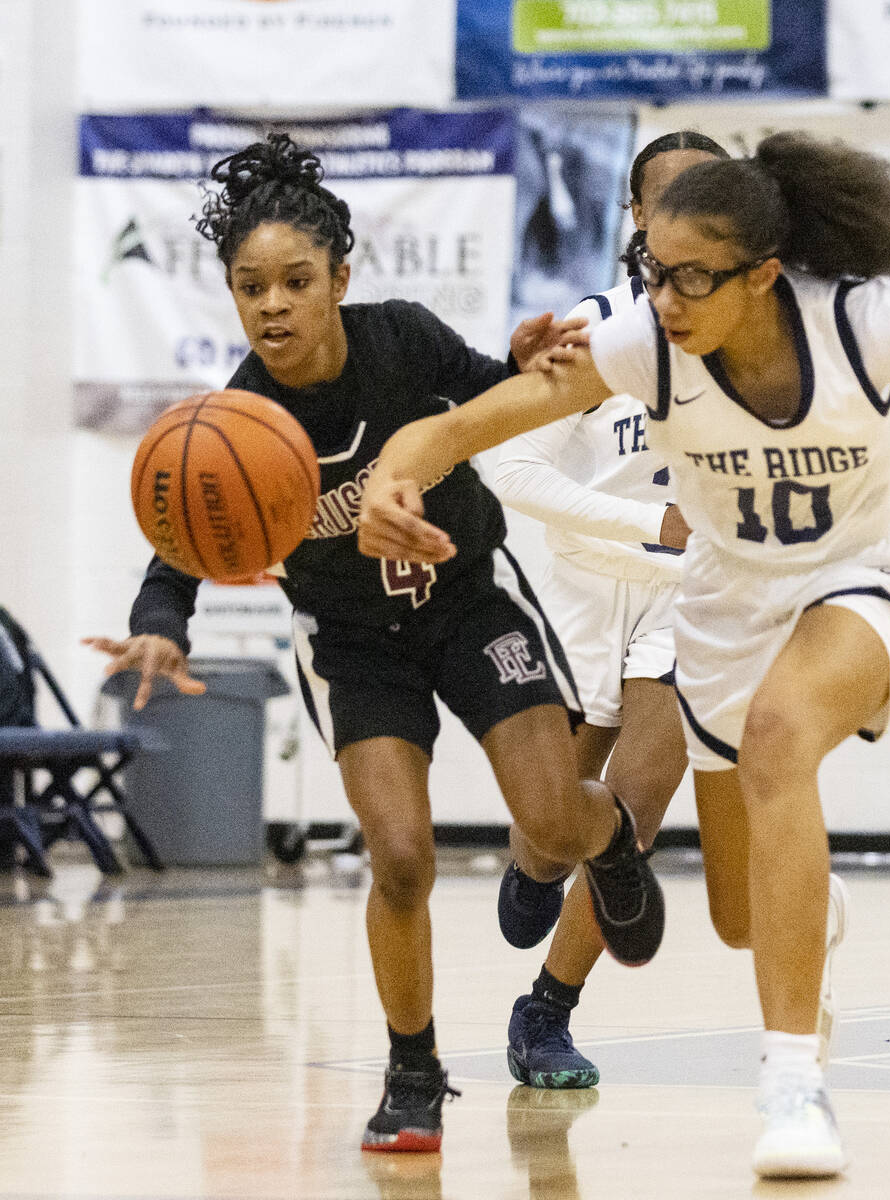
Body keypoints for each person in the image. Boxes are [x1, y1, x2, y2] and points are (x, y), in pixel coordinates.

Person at [355, 129, 890, 1179]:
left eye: (690, 278)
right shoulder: (646, 344)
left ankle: (793, 1085)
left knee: (779, 739)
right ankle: (807, 902)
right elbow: (466, 431)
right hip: (728, 606)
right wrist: (391, 477)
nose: (666, 299)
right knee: (738, 917)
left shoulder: (867, 326)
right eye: (652, 273)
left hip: (867, 577)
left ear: (763, 273)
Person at [84, 133, 666, 1155]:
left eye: (295, 282)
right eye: (248, 286)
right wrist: (158, 630)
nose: (272, 305)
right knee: (400, 856)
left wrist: (529, 363)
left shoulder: (402, 338)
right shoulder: (235, 418)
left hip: (471, 604)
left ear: (337, 280)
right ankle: (413, 1071)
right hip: (355, 646)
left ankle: (607, 834)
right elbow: (179, 549)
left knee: (549, 819)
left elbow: (497, 398)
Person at [490, 130, 725, 1091]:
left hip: (692, 594)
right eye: (666, 200)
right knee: (553, 819)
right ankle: (542, 857)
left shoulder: (747, 338)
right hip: (582, 584)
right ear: (635, 216)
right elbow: (504, 464)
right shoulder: (594, 331)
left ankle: (546, 1010)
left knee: (638, 807)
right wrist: (642, 521)